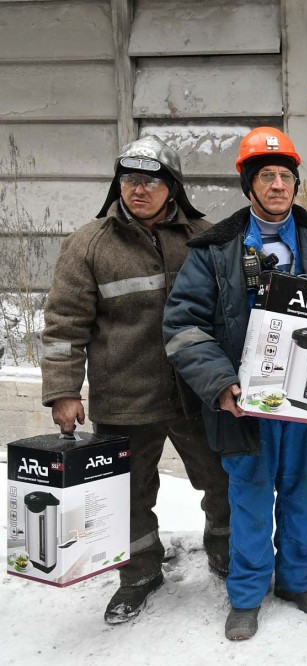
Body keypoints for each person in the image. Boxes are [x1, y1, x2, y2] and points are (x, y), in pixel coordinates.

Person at [162, 127, 307, 641]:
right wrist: (219, 385)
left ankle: (298, 581)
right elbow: (183, 323)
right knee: (251, 495)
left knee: (302, 492)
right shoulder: (215, 250)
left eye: (286, 176)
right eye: (267, 176)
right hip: (246, 400)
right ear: (249, 185)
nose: (279, 185)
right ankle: (247, 594)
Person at [40, 135, 230, 625]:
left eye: (149, 181)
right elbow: (65, 323)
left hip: (197, 394)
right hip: (124, 398)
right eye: (129, 180)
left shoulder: (206, 237)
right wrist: (63, 391)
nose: (137, 190)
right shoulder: (88, 244)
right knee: (125, 495)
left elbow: (230, 313)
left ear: (172, 186)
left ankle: (224, 552)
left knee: (221, 480)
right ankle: (139, 573)